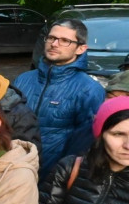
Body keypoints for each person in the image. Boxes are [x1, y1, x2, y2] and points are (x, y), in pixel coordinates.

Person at [14, 19, 106, 177]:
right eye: (51, 38)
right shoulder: (23, 80)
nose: (54, 44)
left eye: (65, 41)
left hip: (51, 178)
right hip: (13, 169)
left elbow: (83, 145)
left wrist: (59, 177)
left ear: (81, 48)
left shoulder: (89, 90)